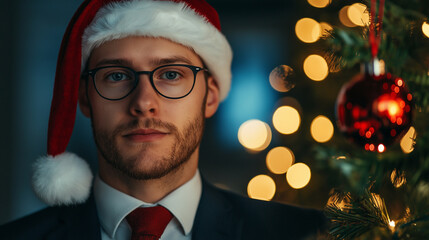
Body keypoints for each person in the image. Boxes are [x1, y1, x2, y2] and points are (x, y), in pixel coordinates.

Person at [0, 0, 328, 239]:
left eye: (171, 74)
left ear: (210, 96)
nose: (144, 103)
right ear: (85, 96)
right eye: (116, 76)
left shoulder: (306, 235)